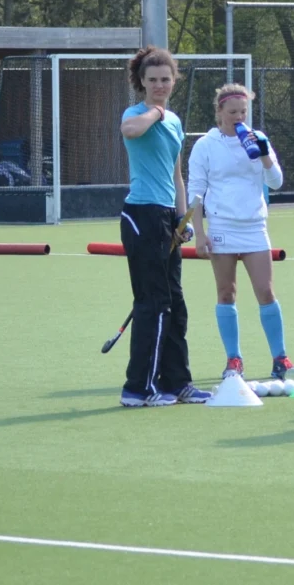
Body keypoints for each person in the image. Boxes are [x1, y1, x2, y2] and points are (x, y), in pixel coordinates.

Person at [116, 47, 210, 407]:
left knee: (175, 304)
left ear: (174, 81)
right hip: (141, 215)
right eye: (153, 79)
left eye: (165, 79)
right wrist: (155, 111)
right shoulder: (137, 114)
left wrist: (182, 220)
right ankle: (138, 388)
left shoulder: (174, 122)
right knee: (153, 303)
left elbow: (176, 176)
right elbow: (130, 131)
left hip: (166, 216)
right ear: (142, 81)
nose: (159, 85)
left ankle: (177, 382)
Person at [188, 84, 290, 382]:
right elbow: (196, 192)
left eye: (243, 112)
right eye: (232, 112)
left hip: (254, 226)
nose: (238, 117)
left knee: (266, 291)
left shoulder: (258, 139)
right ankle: (234, 359)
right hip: (221, 227)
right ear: (219, 112)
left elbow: (276, 182)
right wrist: (200, 233)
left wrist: (265, 155)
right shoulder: (205, 145)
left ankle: (280, 358)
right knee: (226, 292)